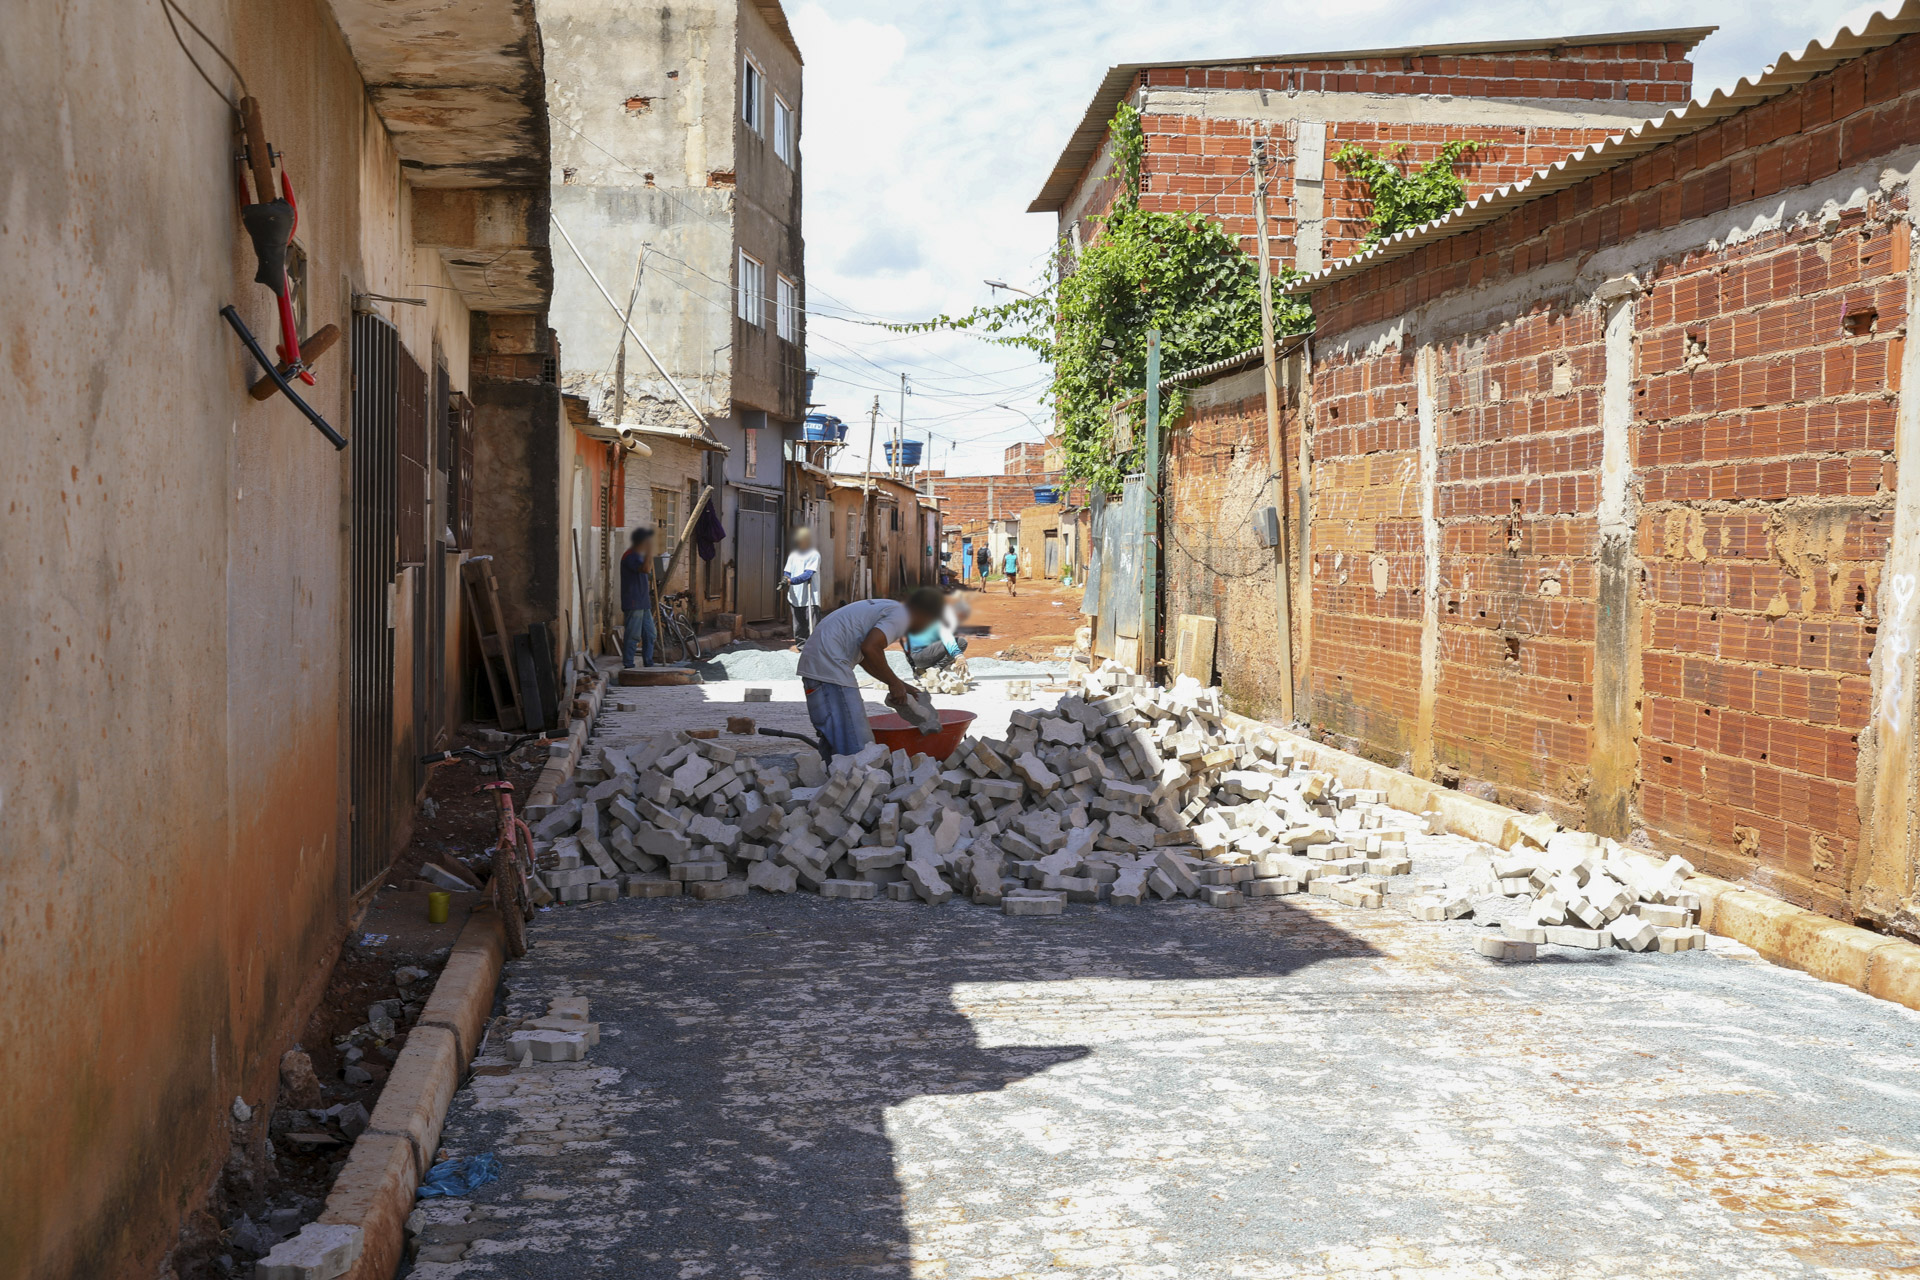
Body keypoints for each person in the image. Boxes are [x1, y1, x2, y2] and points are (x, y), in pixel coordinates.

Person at [797, 586, 946, 758]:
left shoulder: (890, 608)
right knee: (860, 746)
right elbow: (870, 648)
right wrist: (894, 683)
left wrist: (900, 684)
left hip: (818, 665)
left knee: (837, 738)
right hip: (830, 668)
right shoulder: (901, 616)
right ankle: (858, 781)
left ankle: (832, 779)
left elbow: (865, 657)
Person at [620, 527, 657, 669]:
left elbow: (649, 572)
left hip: (643, 601)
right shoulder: (629, 556)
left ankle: (649, 662)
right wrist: (649, 553)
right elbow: (645, 569)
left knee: (650, 634)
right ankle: (629, 664)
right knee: (633, 635)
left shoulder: (639, 556)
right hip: (633, 601)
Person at [905, 591, 970, 672]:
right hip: (920, 656)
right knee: (961, 642)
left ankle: (923, 669)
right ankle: (936, 669)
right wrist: (958, 655)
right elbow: (947, 637)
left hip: (911, 658)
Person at [780, 527, 822, 645]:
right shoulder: (793, 555)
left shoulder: (814, 555)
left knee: (813, 627)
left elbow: (808, 574)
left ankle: (815, 649)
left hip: (810, 598)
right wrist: (785, 579)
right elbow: (787, 571)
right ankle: (801, 648)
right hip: (795, 596)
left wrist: (790, 581)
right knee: (799, 626)